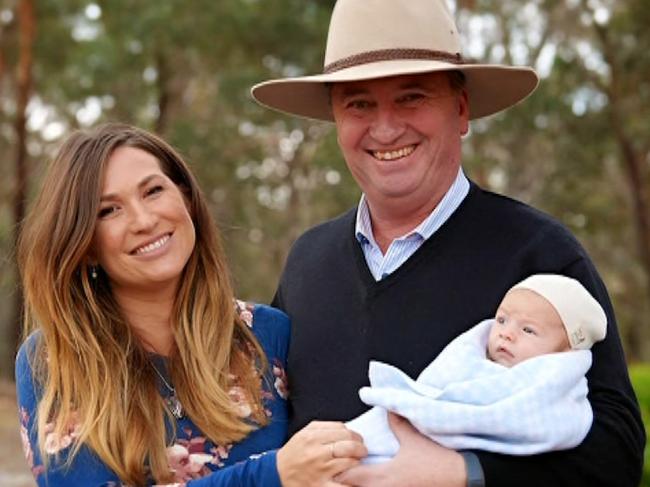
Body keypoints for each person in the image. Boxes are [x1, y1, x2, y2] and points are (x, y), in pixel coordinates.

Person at [251, 0, 645, 485]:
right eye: (359, 103)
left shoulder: (539, 256)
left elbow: (618, 452)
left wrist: (465, 472)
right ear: (336, 118)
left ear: (461, 110)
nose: (386, 127)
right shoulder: (306, 262)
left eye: (412, 96)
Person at [14, 123, 366, 487]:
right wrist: (273, 475)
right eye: (109, 210)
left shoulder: (268, 335)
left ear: (186, 199)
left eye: (153, 191)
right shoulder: (53, 361)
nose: (145, 220)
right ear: (85, 247)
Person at [347, 273, 607, 462]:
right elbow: (436, 390)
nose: (507, 334)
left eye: (528, 330)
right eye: (502, 320)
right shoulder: (471, 360)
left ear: (566, 351)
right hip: (386, 444)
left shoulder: (550, 391)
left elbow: (532, 424)